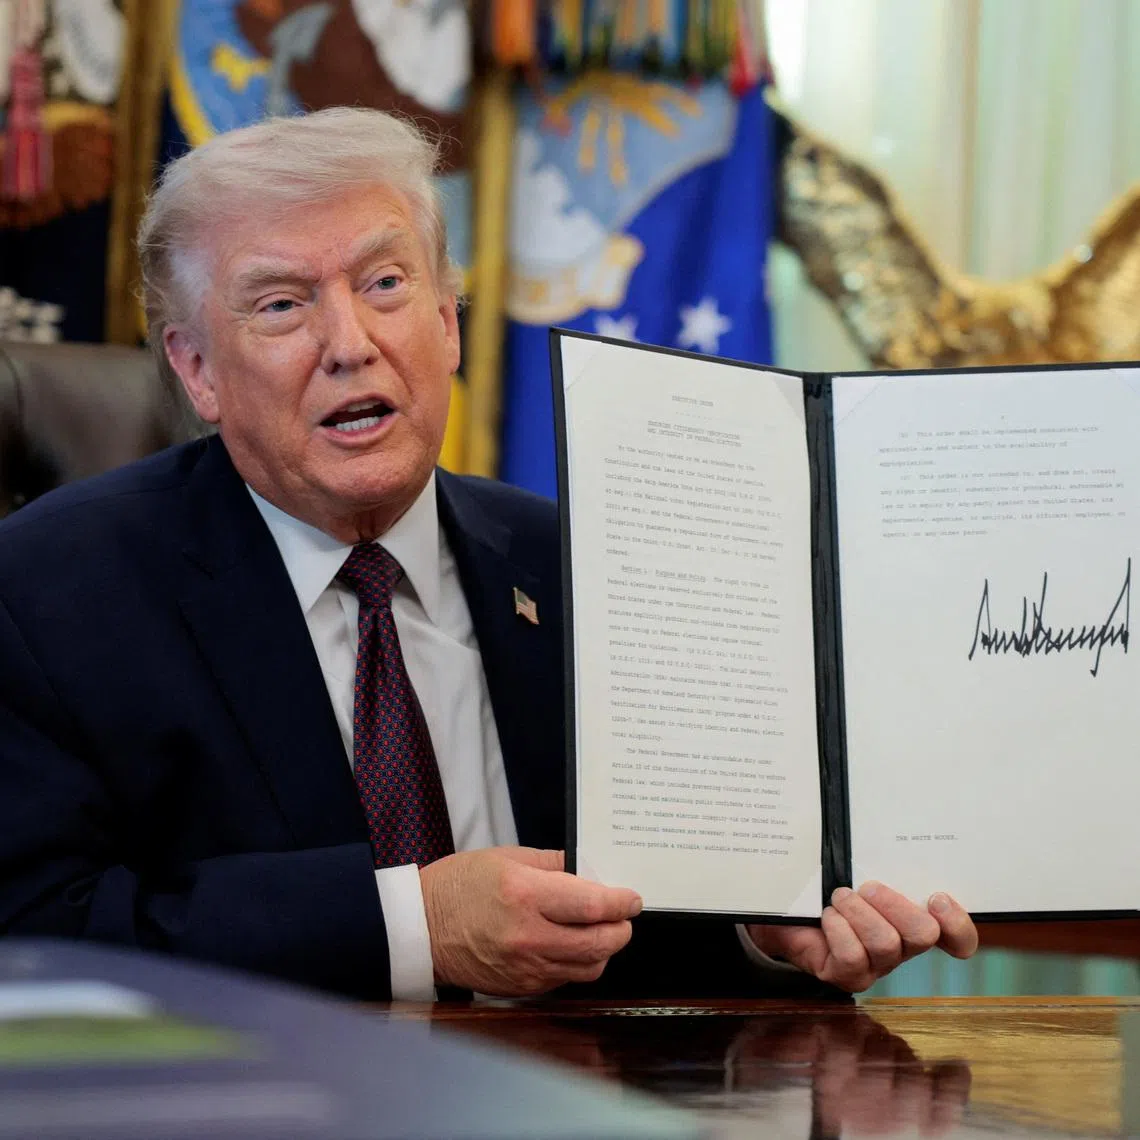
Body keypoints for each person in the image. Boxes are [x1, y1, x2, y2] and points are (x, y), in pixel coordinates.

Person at [0, 109, 977, 1001]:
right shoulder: (49, 594)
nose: (351, 343)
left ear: (447, 322)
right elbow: (34, 937)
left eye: (385, 284)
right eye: (282, 305)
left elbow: (642, 938)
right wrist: (411, 927)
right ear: (197, 368)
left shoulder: (587, 569)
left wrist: (763, 934)